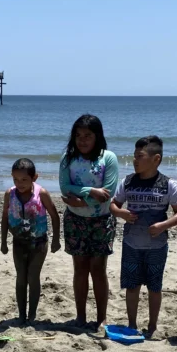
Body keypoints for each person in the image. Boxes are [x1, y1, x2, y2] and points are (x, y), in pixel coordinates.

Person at [110, 136, 177, 338]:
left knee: (154, 287)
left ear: (156, 159)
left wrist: (164, 225)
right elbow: (114, 204)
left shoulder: (168, 185)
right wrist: (121, 213)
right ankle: (132, 324)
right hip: (131, 243)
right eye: (134, 156)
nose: (134, 160)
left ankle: (153, 326)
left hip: (157, 245)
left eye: (139, 156)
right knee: (132, 286)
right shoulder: (127, 182)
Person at [58, 114, 119, 328]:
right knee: (80, 268)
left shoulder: (108, 157)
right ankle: (81, 317)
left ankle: (101, 317)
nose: (82, 140)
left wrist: (79, 198)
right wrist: (90, 191)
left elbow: (108, 192)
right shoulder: (68, 158)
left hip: (102, 220)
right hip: (75, 220)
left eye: (88, 135)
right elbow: (65, 188)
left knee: (98, 268)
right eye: (78, 135)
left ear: (97, 136)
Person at [0, 158, 61, 323]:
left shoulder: (41, 193)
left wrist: (56, 240)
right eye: (16, 179)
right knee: (21, 277)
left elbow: (55, 216)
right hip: (19, 242)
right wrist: (3, 241)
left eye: (24, 180)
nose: (19, 183)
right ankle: (21, 315)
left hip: (39, 243)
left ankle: (32, 314)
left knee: (33, 277)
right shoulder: (10, 194)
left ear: (35, 177)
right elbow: (5, 217)